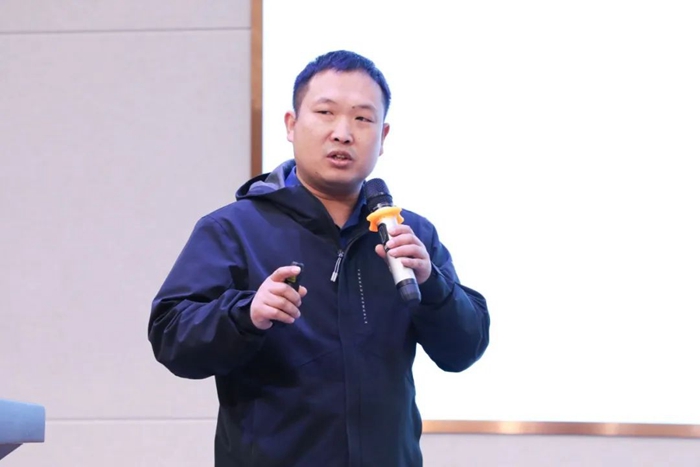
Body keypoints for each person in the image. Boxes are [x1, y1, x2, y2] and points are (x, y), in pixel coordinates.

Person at [148, 50, 490, 467]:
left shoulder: (409, 234)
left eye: (362, 118)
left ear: (383, 136)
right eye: (326, 112)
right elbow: (171, 337)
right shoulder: (234, 229)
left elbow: (464, 349)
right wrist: (245, 314)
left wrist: (432, 284)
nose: (343, 133)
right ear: (291, 125)